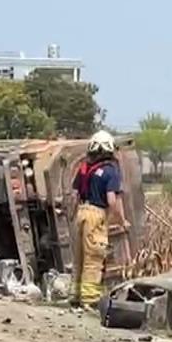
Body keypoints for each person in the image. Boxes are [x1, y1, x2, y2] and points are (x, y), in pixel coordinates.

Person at [71, 130, 125, 308]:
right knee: (93, 259)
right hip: (97, 214)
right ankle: (90, 300)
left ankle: (75, 296)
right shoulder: (111, 171)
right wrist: (120, 219)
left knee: (79, 257)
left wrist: (74, 215)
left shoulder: (84, 169)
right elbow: (112, 199)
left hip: (81, 212)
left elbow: (74, 196)